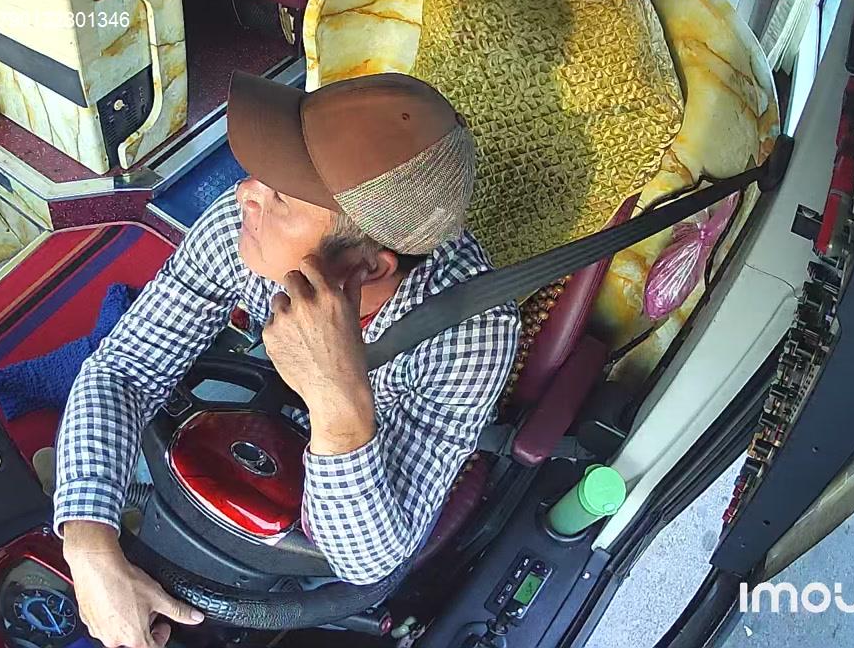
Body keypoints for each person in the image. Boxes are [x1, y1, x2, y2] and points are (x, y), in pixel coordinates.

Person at [53, 71, 521, 648]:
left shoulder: (472, 334)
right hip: (271, 400)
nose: (244, 195)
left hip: (356, 475)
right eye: (262, 178)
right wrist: (89, 543)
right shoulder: (240, 228)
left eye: (280, 198)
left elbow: (367, 560)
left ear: (365, 267)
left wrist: (335, 402)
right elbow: (126, 368)